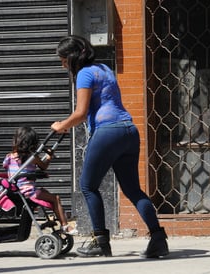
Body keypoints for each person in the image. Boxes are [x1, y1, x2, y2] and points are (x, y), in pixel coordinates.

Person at [51, 35, 169, 258]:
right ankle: (158, 238)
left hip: (108, 132)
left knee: (88, 186)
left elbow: (81, 113)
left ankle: (100, 240)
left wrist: (61, 125)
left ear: (73, 57)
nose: (63, 64)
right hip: (129, 130)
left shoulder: (84, 74)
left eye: (64, 60)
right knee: (133, 189)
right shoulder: (104, 68)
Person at [3, 126, 77, 235]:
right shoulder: (32, 158)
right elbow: (43, 166)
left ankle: (60, 221)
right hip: (29, 192)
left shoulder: (8, 157)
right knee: (56, 199)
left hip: (17, 191)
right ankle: (65, 226)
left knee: (46, 193)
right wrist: (49, 157)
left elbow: (6, 166)